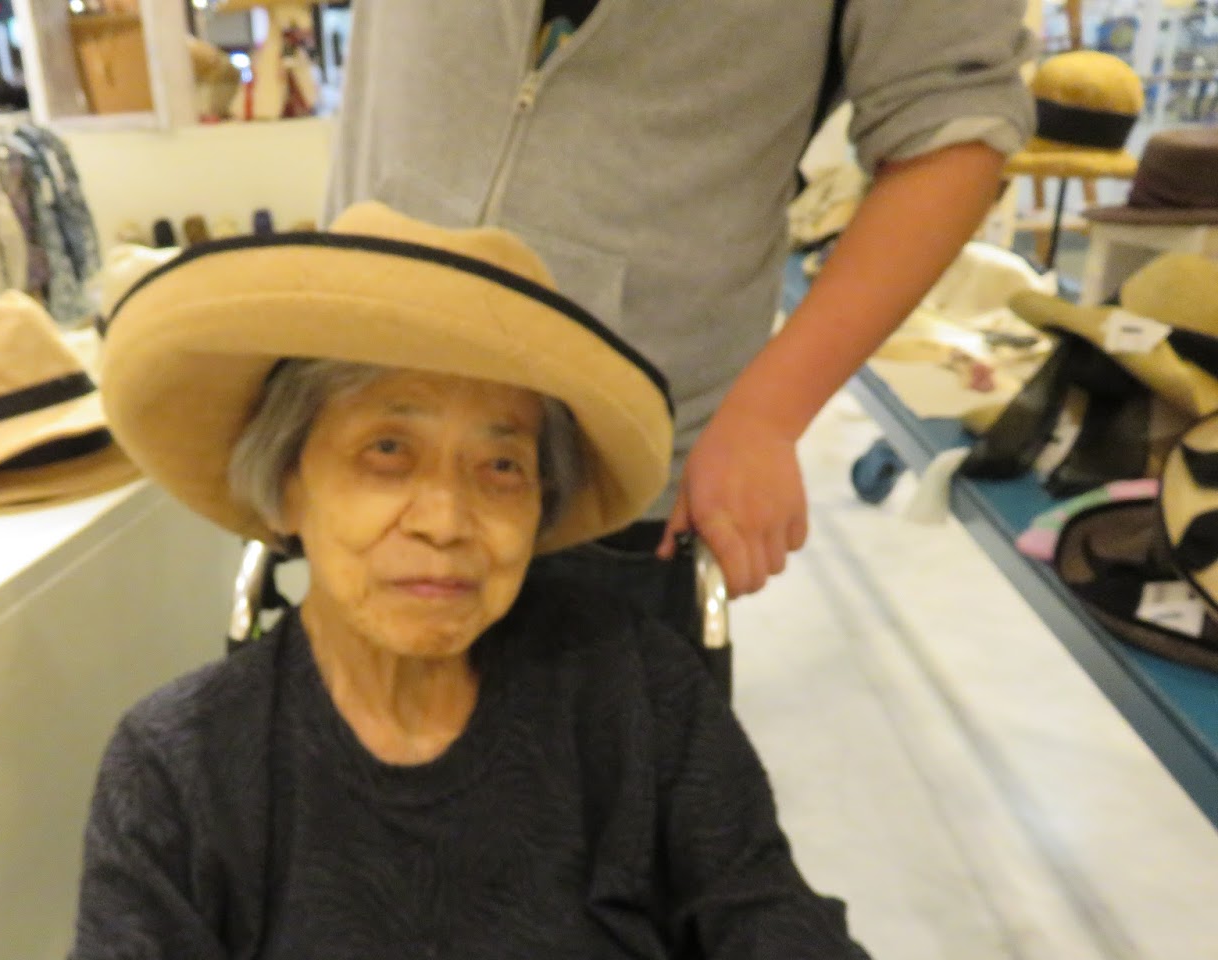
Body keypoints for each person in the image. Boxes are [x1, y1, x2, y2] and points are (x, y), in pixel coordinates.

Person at [0, 204, 934, 960]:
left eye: (500, 467)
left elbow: (776, 948)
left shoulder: (632, 690)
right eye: (386, 451)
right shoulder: (182, 764)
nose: (445, 520)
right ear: (287, 486)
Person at [324, 0, 1037, 596]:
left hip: (612, 458)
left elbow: (953, 120)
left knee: (603, 717)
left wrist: (766, 417)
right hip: (356, 394)